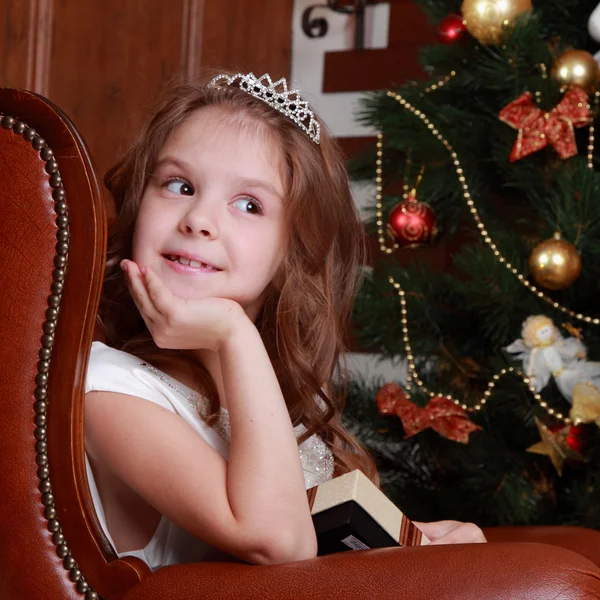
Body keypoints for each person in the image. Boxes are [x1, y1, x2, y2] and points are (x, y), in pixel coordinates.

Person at [84, 72, 486, 572]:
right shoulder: (102, 389)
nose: (198, 219)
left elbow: (316, 557)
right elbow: (277, 542)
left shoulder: (268, 398)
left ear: (291, 250)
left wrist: (413, 546)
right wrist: (234, 331)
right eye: (179, 185)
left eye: (249, 204)